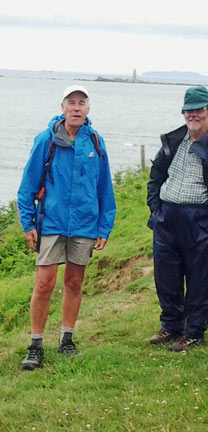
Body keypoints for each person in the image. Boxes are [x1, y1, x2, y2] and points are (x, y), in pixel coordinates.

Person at [17, 85, 116, 370]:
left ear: (88, 109)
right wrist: (27, 222)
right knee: (44, 284)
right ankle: (35, 345)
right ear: (62, 107)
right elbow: (27, 186)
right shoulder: (45, 140)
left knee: (74, 282)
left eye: (81, 103)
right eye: (71, 102)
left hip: (85, 223)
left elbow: (104, 188)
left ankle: (67, 340)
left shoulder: (96, 142)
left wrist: (104, 226)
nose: (76, 108)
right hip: (51, 222)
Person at [147, 86, 208, 351]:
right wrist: (154, 207)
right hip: (167, 218)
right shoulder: (173, 143)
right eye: (188, 111)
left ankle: (193, 332)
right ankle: (170, 326)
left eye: (199, 110)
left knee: (199, 280)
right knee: (166, 277)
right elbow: (155, 175)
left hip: (200, 220)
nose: (193, 115)